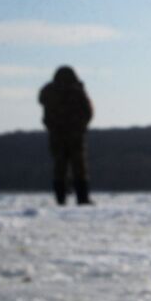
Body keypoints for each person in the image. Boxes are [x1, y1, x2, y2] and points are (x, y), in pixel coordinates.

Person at [38, 66, 94, 206]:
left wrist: (52, 126)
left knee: (60, 168)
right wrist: (81, 126)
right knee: (79, 168)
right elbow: (88, 111)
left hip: (57, 136)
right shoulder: (77, 91)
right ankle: (82, 199)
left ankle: (60, 200)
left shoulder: (50, 93)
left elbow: (45, 110)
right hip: (75, 136)